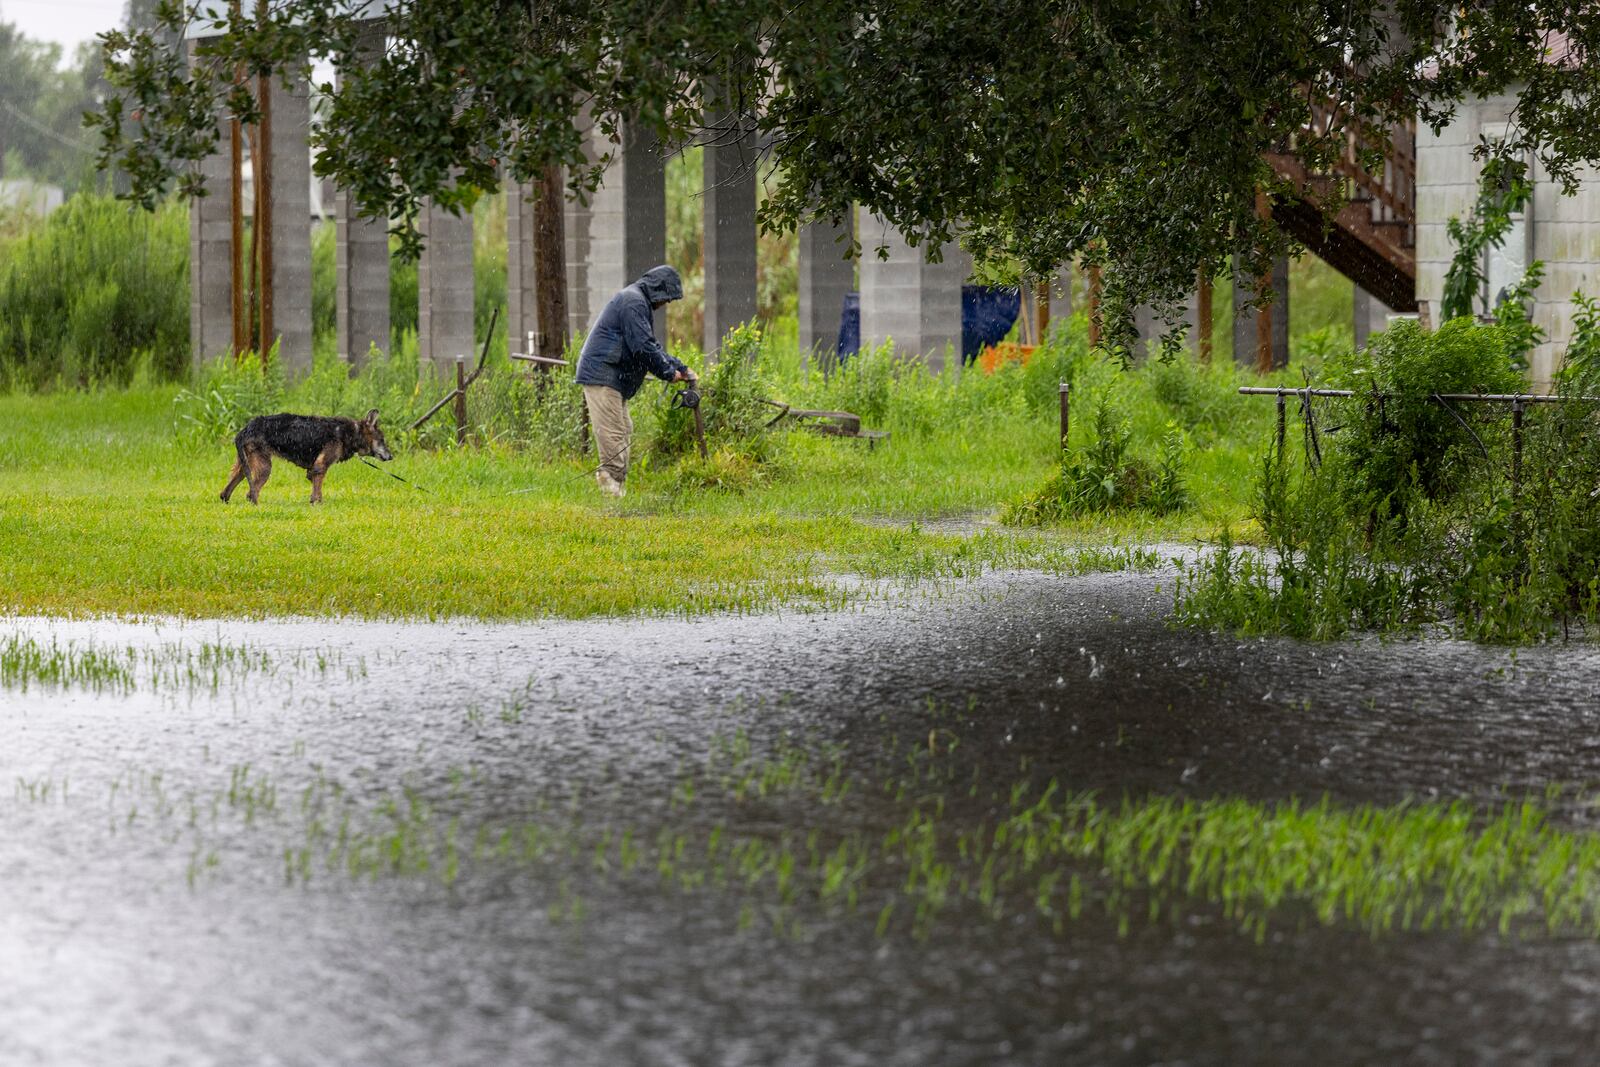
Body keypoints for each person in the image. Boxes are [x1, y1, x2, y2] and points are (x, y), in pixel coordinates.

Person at [574, 264, 694, 498]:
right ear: (659, 289)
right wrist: (669, 373)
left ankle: (616, 489)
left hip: (610, 377)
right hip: (603, 376)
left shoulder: (636, 301)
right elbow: (643, 348)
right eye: (667, 298)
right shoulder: (633, 302)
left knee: (624, 429)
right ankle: (611, 494)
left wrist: (680, 367)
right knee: (614, 434)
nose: (666, 304)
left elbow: (650, 345)